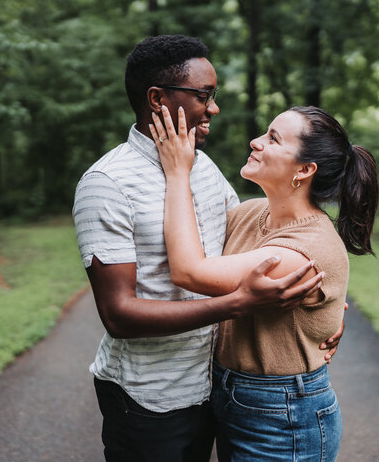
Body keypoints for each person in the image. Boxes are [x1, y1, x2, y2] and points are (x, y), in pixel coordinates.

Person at [72, 35, 342, 462]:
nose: (213, 107)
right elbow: (119, 315)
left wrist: (322, 310)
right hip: (152, 398)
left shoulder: (204, 167)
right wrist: (237, 304)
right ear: (157, 99)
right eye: (204, 95)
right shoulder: (108, 183)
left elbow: (254, 247)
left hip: (215, 389)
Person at [150, 103, 379, 461]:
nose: (256, 142)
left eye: (273, 139)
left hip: (283, 416)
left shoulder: (305, 249)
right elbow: (190, 237)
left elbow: (189, 271)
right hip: (232, 397)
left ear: (304, 169)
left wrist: (178, 170)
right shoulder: (252, 212)